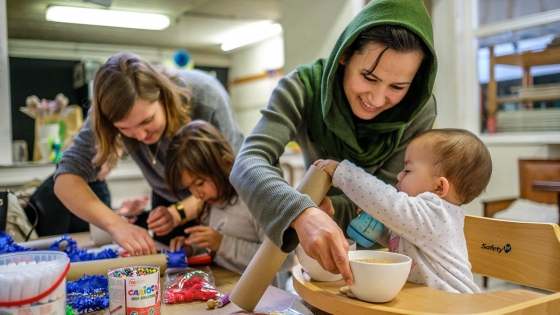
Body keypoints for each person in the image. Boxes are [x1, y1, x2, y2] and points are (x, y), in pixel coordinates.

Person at [230, 0, 437, 285]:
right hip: (313, 258)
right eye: (368, 77)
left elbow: (389, 200)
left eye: (397, 87)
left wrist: (321, 209)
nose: (376, 99)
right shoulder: (302, 88)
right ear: (345, 54)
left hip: (388, 262)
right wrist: (300, 212)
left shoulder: (418, 110)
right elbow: (248, 163)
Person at [53, 52, 244, 256]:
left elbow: (229, 179)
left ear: (162, 96)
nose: (140, 135)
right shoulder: (108, 110)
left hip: (225, 195)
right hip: (168, 202)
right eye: (125, 129)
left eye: (147, 121)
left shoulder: (206, 97)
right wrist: (116, 225)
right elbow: (65, 181)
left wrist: (179, 212)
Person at [315, 128, 492, 293]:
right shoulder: (423, 221)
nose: (399, 175)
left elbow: (390, 203)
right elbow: (405, 242)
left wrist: (344, 173)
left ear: (439, 187)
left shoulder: (437, 212)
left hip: (453, 306)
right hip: (424, 303)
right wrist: (381, 232)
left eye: (407, 170)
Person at [166, 120, 293, 282]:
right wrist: (192, 246)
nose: (197, 194)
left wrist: (222, 243)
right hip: (224, 287)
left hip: (259, 298)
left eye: (199, 184)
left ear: (225, 164)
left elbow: (283, 259)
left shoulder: (252, 199)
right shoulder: (213, 200)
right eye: (189, 188)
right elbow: (219, 240)